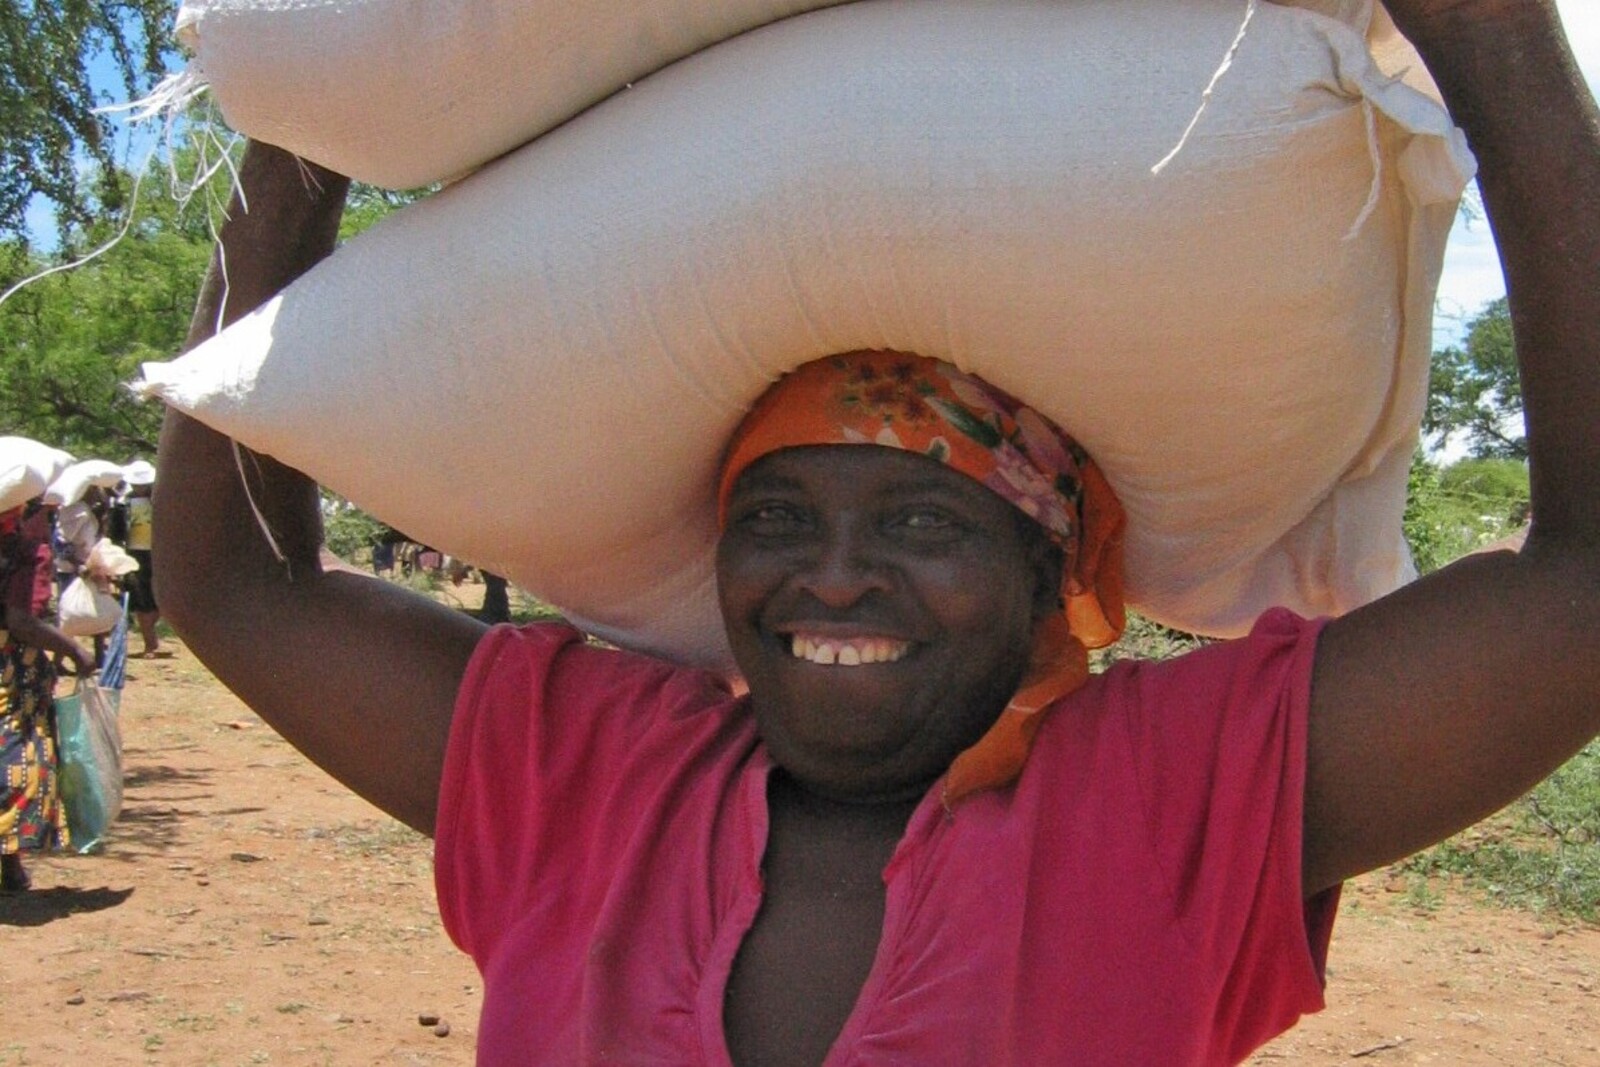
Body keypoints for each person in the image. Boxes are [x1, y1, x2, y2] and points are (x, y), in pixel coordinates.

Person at [155, 2, 1599, 1063]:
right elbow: (236, 586)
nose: (832, 571)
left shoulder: (1177, 802)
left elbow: (1582, 584)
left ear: (1054, 572)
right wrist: (298, 124)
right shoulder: (586, 777)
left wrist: (1491, 45)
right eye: (774, 513)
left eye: (920, 517)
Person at [1, 499, 96, 892]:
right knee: (16, 759)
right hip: (11, 670)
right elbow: (21, 620)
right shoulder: (26, 551)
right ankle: (8, 863)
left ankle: (9, 866)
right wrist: (74, 651)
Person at [118, 464, 165, 657]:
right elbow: (117, 531)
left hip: (159, 555)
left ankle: (151, 634)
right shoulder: (124, 504)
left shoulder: (161, 501)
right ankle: (149, 643)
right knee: (142, 600)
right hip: (136, 557)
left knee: (161, 599)